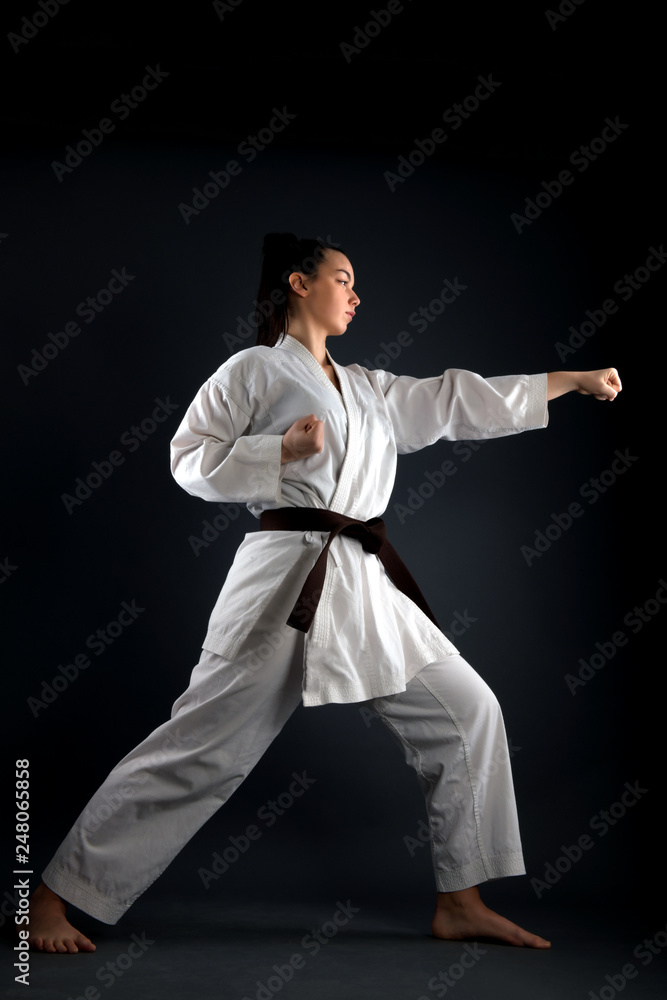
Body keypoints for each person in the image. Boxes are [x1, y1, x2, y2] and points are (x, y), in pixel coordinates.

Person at [26, 232, 621, 954]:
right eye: (342, 278)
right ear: (298, 284)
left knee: (467, 711)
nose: (355, 293)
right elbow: (187, 459)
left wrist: (565, 378)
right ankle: (52, 897)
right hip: (286, 579)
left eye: (355, 281)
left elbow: (452, 400)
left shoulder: (367, 387)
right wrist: (277, 451)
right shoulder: (252, 370)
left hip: (364, 581)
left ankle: (460, 901)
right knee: (201, 749)